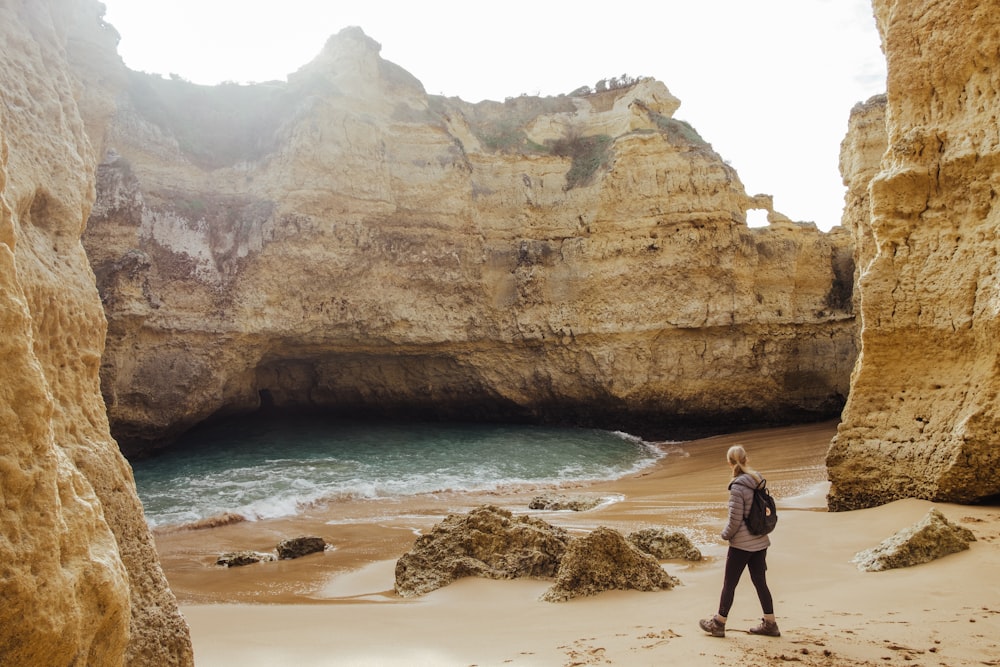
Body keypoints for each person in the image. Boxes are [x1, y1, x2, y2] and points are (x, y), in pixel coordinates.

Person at [699, 444, 780, 638]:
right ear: (746, 459)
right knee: (760, 582)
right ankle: (771, 624)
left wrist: (725, 535)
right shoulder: (757, 480)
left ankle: (718, 623)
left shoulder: (738, 487)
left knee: (730, 583)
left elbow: (735, 519)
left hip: (742, 543)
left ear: (729, 463)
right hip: (760, 540)